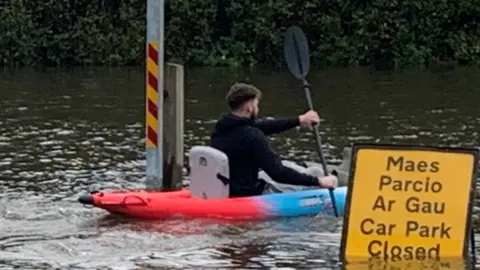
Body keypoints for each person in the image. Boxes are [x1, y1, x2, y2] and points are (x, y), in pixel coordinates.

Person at [210, 83, 338, 198]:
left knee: (287, 164)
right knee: (316, 172)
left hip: (231, 184)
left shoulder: (221, 128)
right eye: (256, 104)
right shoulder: (253, 136)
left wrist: (299, 120)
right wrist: (318, 182)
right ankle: (327, 184)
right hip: (250, 193)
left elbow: (265, 126)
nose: (257, 108)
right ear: (249, 107)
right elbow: (278, 174)